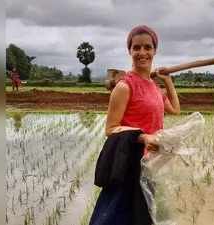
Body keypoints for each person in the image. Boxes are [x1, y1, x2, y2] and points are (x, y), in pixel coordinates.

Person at [89, 25, 180, 225]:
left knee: (143, 216)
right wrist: (143, 136)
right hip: (128, 163)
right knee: (116, 216)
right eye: (136, 47)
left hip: (150, 163)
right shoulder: (124, 86)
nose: (142, 52)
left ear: (155, 50)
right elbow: (111, 129)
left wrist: (168, 81)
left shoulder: (155, 87)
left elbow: (175, 109)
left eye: (147, 47)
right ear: (129, 51)